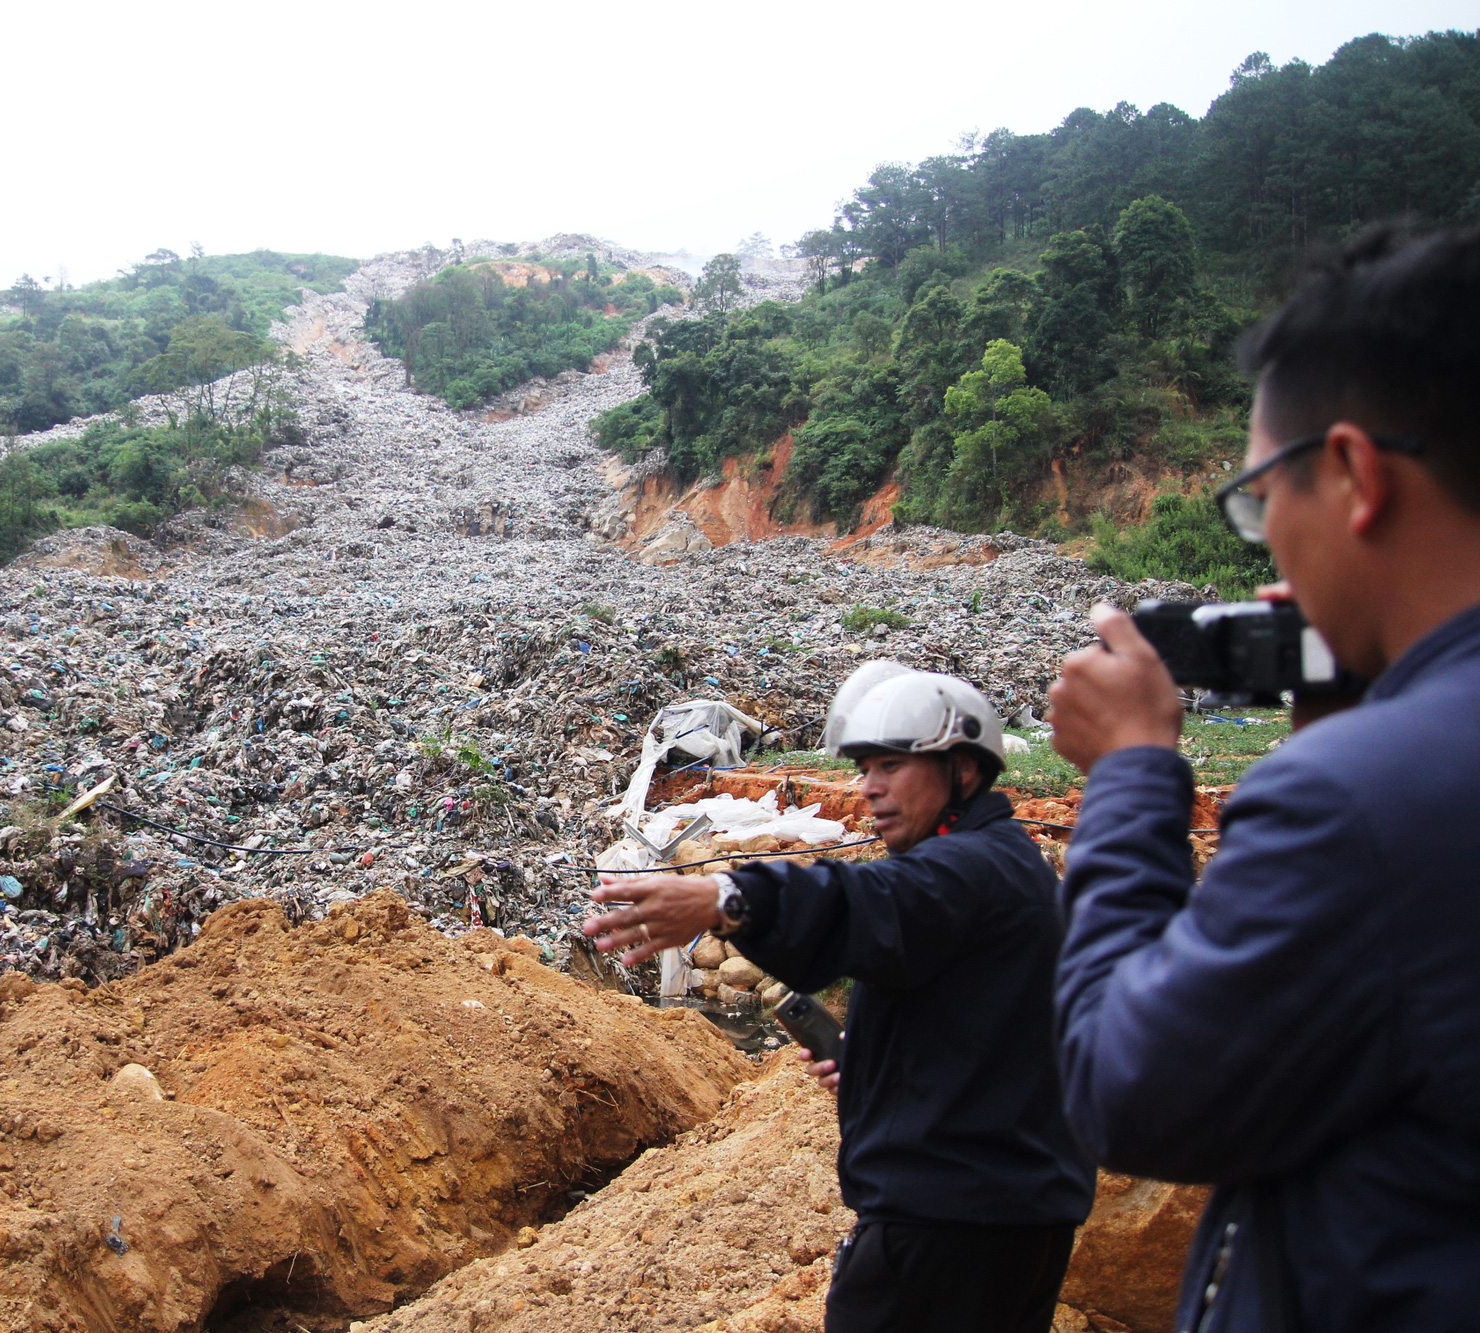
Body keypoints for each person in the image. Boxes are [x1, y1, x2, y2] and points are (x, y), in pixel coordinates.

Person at [1046, 223, 1480, 1332]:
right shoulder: (1388, 768)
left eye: (1255, 500)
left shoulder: (1357, 801)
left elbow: (1121, 1087)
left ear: (1350, 473)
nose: (1267, 542)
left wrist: (1135, 775)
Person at [586, 664, 1094, 1333]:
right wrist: (875, 1066)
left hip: (948, 1234)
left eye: (890, 765)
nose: (869, 788)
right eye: (863, 767)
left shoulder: (968, 869)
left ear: (963, 771)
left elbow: (864, 900)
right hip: (1000, 1219)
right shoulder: (1002, 863)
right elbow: (982, 1040)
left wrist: (724, 897)